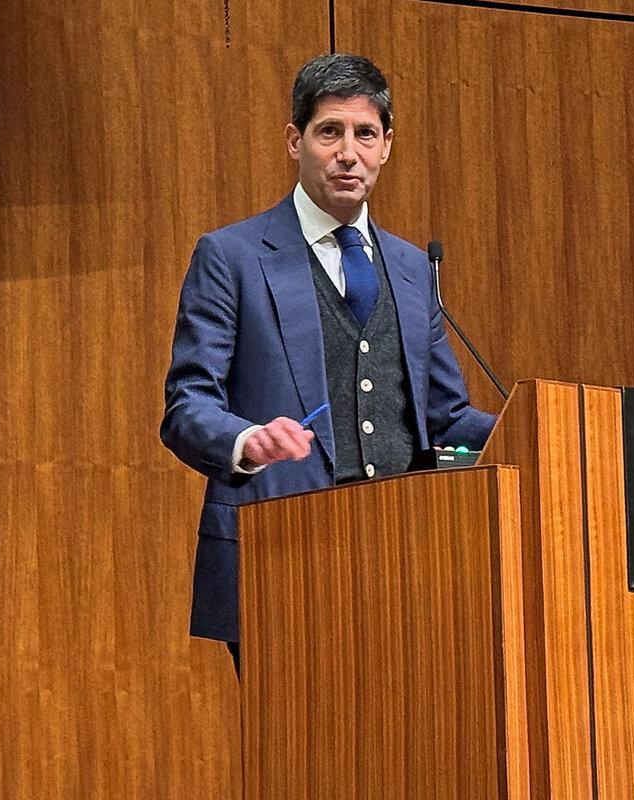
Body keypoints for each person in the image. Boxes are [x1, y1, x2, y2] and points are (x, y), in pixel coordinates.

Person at [160, 53, 497, 676]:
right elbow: (187, 406)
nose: (348, 153)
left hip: (410, 559)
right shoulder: (231, 256)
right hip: (283, 554)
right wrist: (247, 441)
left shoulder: (412, 269)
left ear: (386, 146)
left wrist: (535, 427)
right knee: (298, 735)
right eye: (329, 132)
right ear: (296, 141)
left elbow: (445, 418)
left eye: (365, 134)